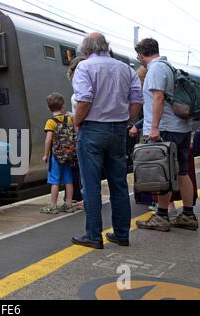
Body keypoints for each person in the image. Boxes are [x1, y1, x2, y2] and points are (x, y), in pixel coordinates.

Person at [71, 32, 143, 249]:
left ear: (86, 50)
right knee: (119, 183)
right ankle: (122, 234)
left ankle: (93, 235)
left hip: (92, 130)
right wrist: (127, 121)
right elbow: (137, 99)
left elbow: (84, 100)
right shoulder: (126, 69)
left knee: (91, 185)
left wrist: (76, 123)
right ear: (106, 46)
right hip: (118, 130)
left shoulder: (84, 67)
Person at [134, 38, 198, 232]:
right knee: (182, 171)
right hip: (181, 127)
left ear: (141, 54)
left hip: (166, 128)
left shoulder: (155, 69)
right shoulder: (169, 67)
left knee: (164, 172)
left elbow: (158, 98)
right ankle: (188, 214)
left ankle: (161, 216)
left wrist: (154, 128)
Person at [40, 93, 76, 214]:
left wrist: (45, 154)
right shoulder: (69, 119)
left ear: (49, 108)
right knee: (68, 180)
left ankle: (53, 206)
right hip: (68, 154)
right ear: (63, 106)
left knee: (54, 181)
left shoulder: (51, 122)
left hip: (55, 156)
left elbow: (48, 139)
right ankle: (69, 204)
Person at [66, 56, 86, 210]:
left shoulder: (78, 92)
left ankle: (87, 200)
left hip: (85, 133)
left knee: (86, 171)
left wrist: (74, 119)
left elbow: (84, 107)